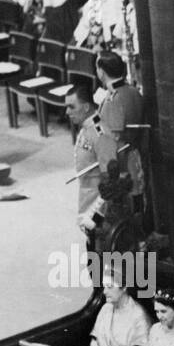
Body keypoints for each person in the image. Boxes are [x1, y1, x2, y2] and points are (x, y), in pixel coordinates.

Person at [66, 81, 116, 232]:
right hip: (87, 199)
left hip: (98, 208)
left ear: (86, 107)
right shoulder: (86, 128)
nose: (67, 112)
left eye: (72, 107)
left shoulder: (100, 134)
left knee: (100, 251)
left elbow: (110, 180)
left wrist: (95, 215)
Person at [94, 51, 142, 196]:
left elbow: (115, 141)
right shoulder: (133, 91)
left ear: (101, 72)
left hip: (122, 168)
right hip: (136, 158)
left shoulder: (113, 100)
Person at [89, 276, 150, 346]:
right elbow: (94, 340)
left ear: (124, 288)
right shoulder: (106, 308)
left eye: (109, 287)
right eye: (104, 287)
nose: (104, 291)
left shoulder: (139, 316)